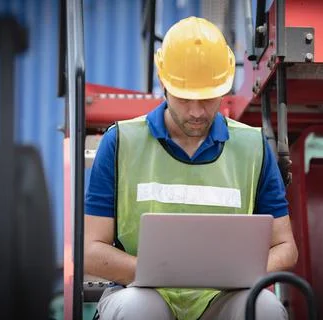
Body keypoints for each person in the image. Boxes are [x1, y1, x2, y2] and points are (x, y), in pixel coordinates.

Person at [84, 16, 298, 320]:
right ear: (163, 82)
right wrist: (163, 273)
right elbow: (91, 251)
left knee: (265, 310)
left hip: (224, 297)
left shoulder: (253, 147)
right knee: (135, 311)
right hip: (144, 292)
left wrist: (230, 272)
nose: (197, 112)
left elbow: (286, 247)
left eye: (208, 98)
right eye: (184, 98)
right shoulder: (120, 142)